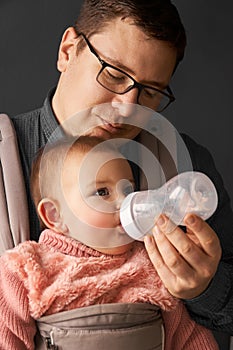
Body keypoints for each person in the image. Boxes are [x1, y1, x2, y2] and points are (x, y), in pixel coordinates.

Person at [8, 0, 233, 336]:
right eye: (114, 75)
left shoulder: (185, 166)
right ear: (68, 51)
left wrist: (206, 288)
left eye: (151, 92)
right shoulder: (3, 158)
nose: (128, 107)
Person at [0, 135, 219, 349]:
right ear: (55, 215)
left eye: (128, 189)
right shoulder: (26, 267)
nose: (125, 201)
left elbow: (188, 336)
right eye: (102, 192)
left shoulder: (152, 262)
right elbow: (7, 339)